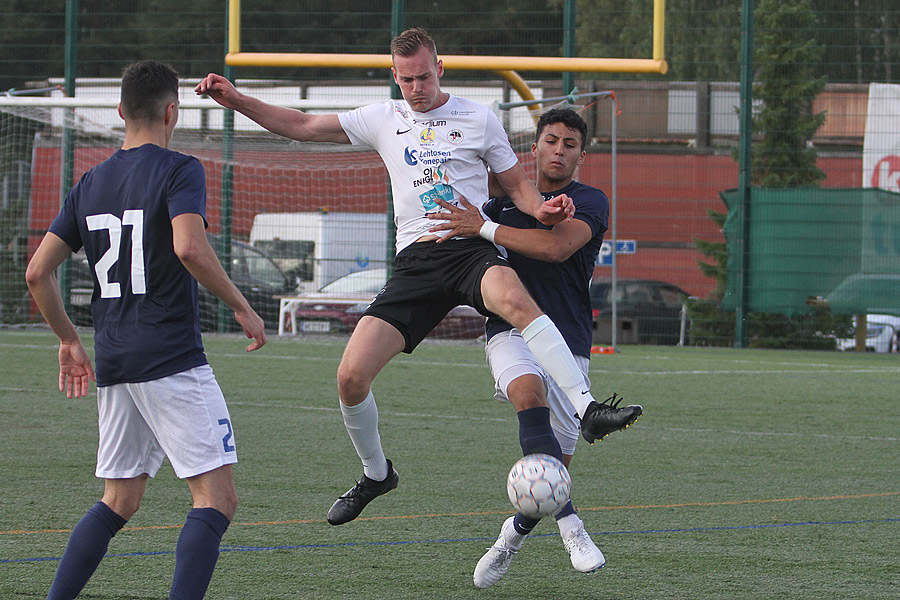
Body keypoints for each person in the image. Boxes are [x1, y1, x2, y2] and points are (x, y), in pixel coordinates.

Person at [195, 27, 636, 527]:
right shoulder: (383, 117)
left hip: (468, 247)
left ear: (440, 68)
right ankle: (376, 473)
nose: (416, 88)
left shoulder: (479, 118)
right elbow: (301, 124)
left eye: (424, 77)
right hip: (417, 263)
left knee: (516, 298)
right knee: (350, 377)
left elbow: (520, 191)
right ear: (394, 76)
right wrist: (235, 100)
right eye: (406, 80)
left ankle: (588, 406)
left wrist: (548, 210)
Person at [25, 60, 267, 600]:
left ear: (119, 112)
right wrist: (241, 306)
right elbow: (188, 246)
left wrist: (68, 338)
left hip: (114, 360)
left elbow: (37, 271)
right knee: (215, 498)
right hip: (170, 356)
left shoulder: (89, 182)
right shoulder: (180, 168)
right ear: (171, 111)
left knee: (120, 500)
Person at [428, 108, 641, 588]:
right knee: (528, 395)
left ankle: (512, 536)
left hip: (568, 342)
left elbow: (554, 249)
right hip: (509, 330)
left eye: (569, 144)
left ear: (582, 155)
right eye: (551, 141)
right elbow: (454, 191)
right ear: (534, 147)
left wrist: (480, 227)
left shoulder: (589, 200)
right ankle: (574, 530)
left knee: (552, 472)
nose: (559, 150)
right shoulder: (502, 198)